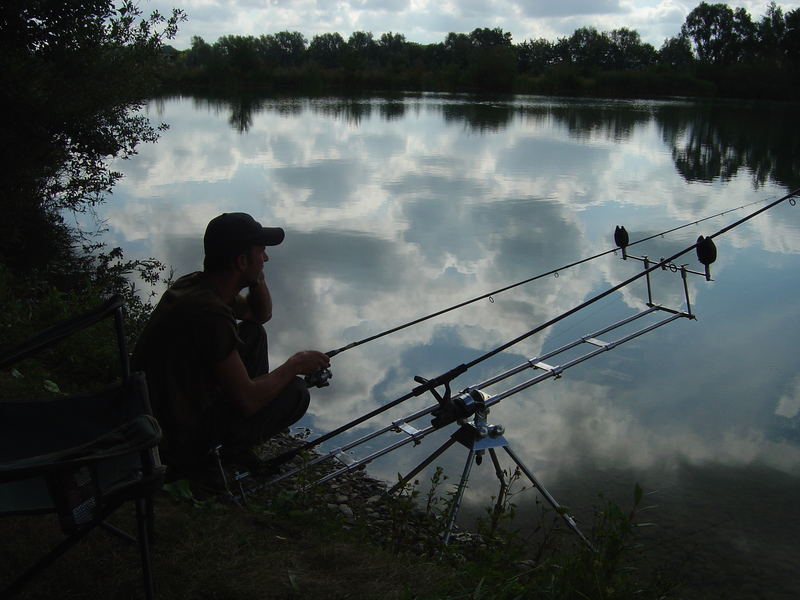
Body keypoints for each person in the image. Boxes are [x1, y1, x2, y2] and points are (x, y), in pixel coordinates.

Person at [132, 212, 330, 480]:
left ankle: (229, 444)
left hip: (156, 409)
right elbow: (248, 400)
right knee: (295, 391)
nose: (267, 259)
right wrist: (295, 364)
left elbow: (259, 316)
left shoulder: (196, 285)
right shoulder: (210, 314)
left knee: (253, 333)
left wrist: (255, 276)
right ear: (240, 261)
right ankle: (209, 459)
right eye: (261, 252)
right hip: (173, 434)